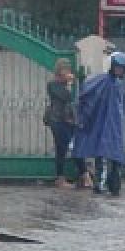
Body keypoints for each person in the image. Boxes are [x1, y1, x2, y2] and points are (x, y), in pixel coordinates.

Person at [73, 50, 125, 197]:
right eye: (118, 67)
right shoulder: (102, 81)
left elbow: (122, 104)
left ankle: (114, 184)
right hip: (102, 124)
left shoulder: (118, 84)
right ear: (112, 66)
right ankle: (100, 184)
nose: (119, 70)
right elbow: (87, 94)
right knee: (102, 154)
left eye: (122, 68)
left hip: (115, 125)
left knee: (116, 157)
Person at [44, 58, 84, 189]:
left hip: (69, 121)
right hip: (57, 120)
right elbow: (66, 97)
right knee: (61, 148)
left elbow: (74, 100)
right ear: (59, 71)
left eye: (68, 69)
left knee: (75, 146)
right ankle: (60, 179)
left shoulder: (68, 84)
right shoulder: (53, 85)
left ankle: (84, 175)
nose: (67, 71)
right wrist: (69, 84)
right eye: (64, 69)